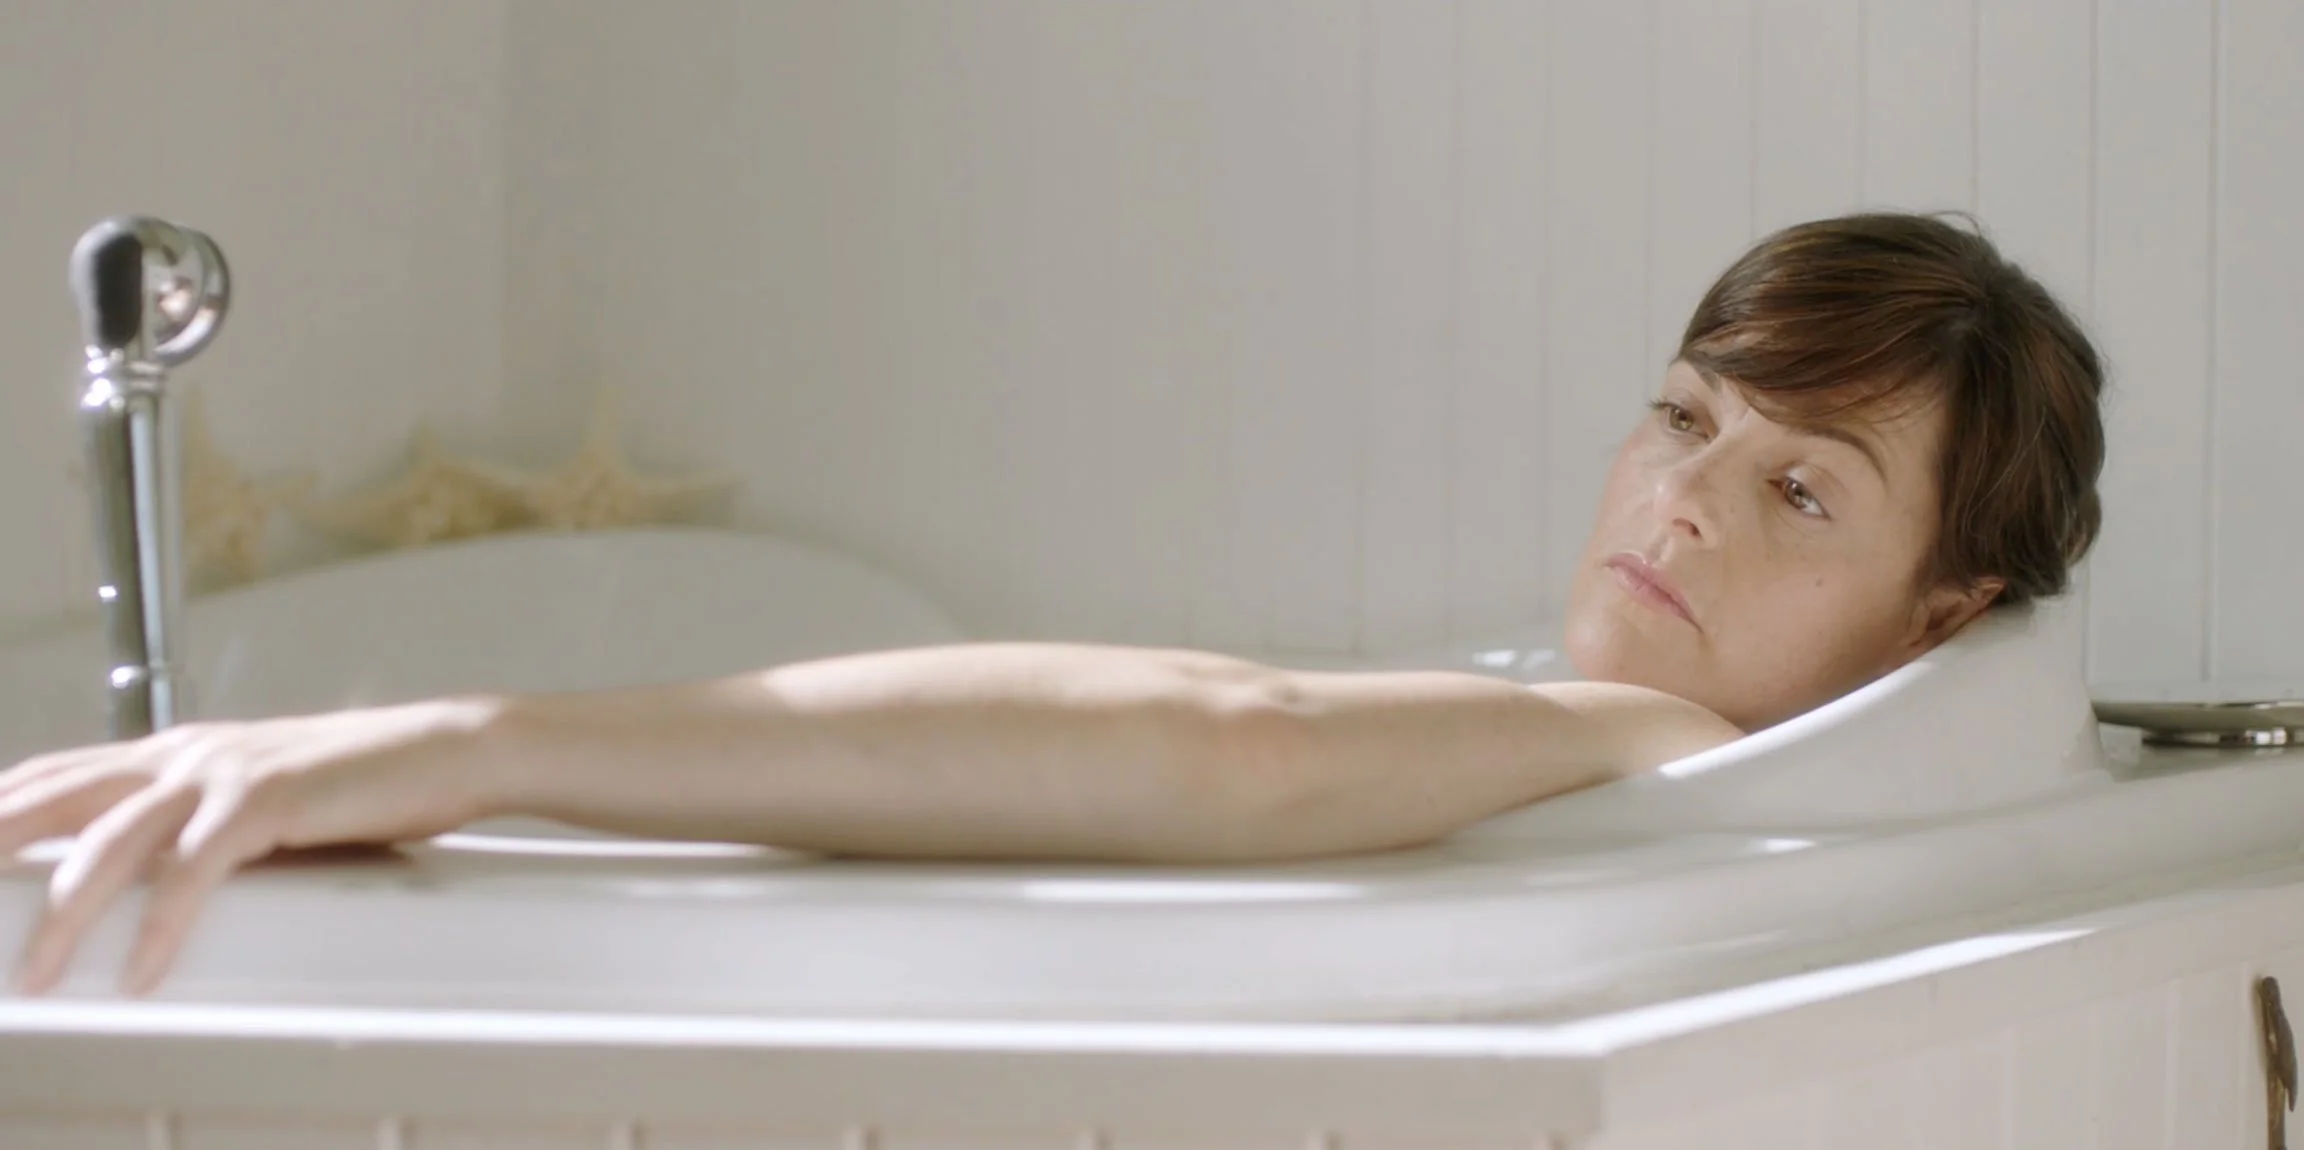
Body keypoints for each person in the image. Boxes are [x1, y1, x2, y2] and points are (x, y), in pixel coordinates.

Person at [0, 212, 2106, 996]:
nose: (1684, 502)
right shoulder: (1744, 769)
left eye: (1800, 483)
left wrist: (474, 741)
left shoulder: (1668, 740)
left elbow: (1234, 739)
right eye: (1680, 414)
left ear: (1943, 609)